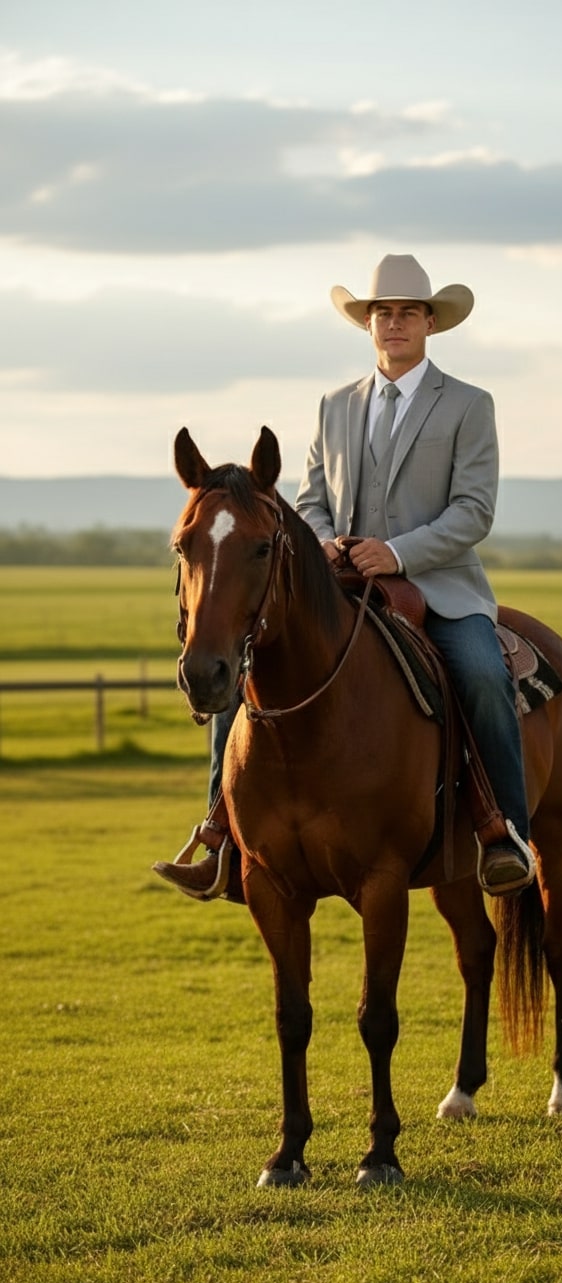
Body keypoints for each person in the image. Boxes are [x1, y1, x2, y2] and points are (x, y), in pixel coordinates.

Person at [153, 254, 535, 899]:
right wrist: (328, 546)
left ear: (431, 322)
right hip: (339, 584)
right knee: (243, 676)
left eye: (407, 312)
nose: (393, 323)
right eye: (382, 312)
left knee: (480, 673)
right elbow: (309, 501)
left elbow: (475, 510)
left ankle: (504, 834)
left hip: (437, 585)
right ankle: (219, 836)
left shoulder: (469, 405)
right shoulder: (334, 405)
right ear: (367, 323)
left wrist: (398, 552)